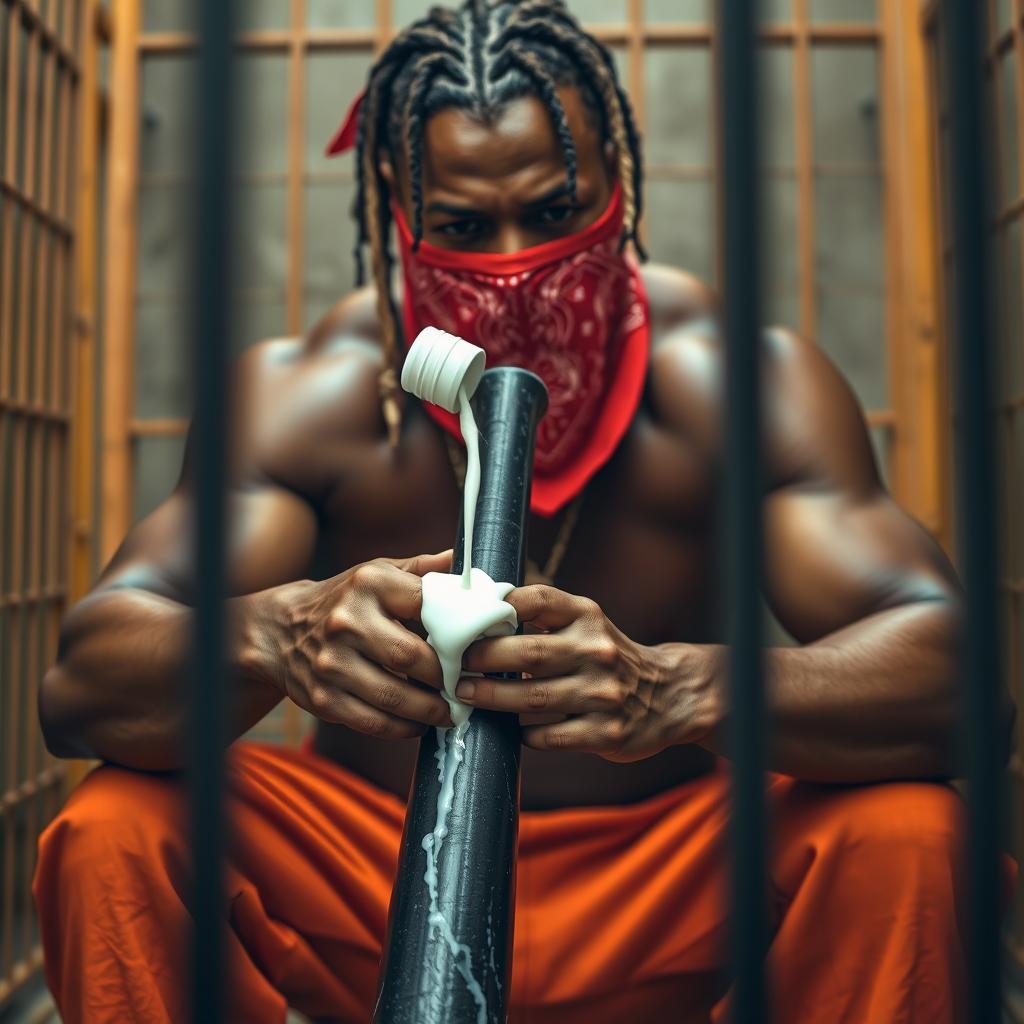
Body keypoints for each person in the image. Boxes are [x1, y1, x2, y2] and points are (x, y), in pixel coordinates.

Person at [33, 1, 1014, 1021]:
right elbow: (80, 687)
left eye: (553, 214)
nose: (516, 266)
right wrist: (273, 636)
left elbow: (963, 685)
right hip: (375, 876)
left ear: (616, 182)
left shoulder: (736, 382)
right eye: (462, 228)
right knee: (116, 827)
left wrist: (675, 690)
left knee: (910, 834)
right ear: (395, 204)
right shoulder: (308, 401)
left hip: (664, 884)